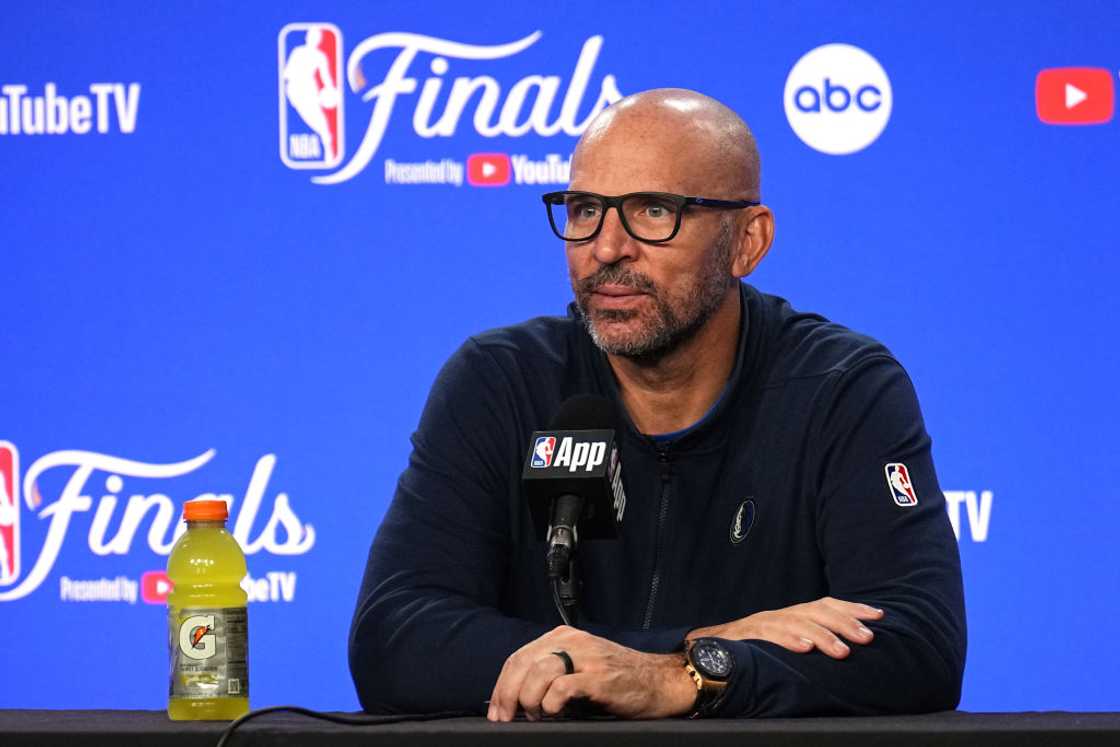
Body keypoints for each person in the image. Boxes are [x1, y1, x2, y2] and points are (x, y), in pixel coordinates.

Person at [349, 88, 966, 720]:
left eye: (652, 211)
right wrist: (689, 657)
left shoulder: (839, 388)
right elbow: (394, 640)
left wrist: (681, 677)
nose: (607, 248)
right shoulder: (501, 381)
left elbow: (919, 646)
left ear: (747, 241)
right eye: (586, 209)